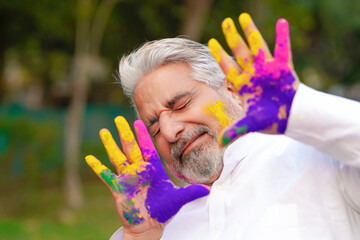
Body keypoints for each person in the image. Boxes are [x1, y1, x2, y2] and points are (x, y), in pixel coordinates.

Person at [85, 13, 360, 240]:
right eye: (154, 127)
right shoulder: (155, 224)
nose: (169, 132)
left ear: (230, 89)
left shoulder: (319, 159)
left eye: (180, 105)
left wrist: (299, 107)